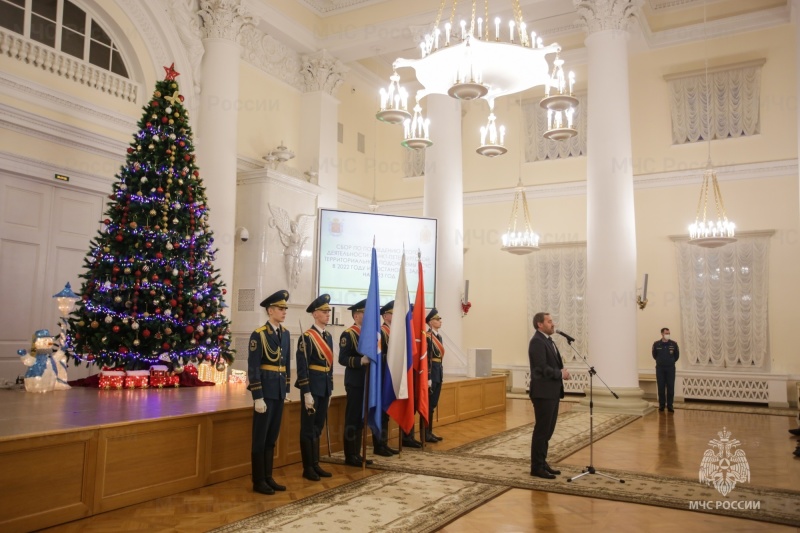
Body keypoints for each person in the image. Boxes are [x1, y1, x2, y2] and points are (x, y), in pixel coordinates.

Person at [247, 290, 292, 495]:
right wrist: (257, 396)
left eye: (284, 309)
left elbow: (286, 365)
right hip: (265, 392)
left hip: (279, 391)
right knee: (260, 438)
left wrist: (287, 389)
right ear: (270, 310)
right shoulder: (259, 334)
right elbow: (254, 367)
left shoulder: (285, 334)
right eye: (280, 309)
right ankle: (258, 480)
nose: (284, 312)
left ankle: (268, 476)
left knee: (272, 437)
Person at [295, 294, 335, 481]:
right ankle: (307, 467)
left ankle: (316, 464)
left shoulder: (327, 336)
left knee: (318, 427)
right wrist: (306, 392)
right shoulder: (307, 337)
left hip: (324, 387)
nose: (328, 314)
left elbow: (330, 366)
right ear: (315, 314)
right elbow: (302, 368)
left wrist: (330, 389)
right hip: (312, 388)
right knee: (308, 428)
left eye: (328, 311)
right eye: (324, 311)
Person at [528, 311, 570, 479]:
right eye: (549, 321)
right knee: (542, 430)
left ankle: (542, 462)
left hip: (551, 392)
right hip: (543, 393)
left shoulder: (547, 340)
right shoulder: (537, 342)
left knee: (548, 430)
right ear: (540, 324)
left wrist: (561, 373)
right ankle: (536, 467)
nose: (553, 324)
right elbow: (540, 368)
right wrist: (560, 374)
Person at [338, 299, 374, 467]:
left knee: (361, 420)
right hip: (354, 382)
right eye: (364, 314)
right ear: (356, 315)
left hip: (366, 382)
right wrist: (360, 361)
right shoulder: (349, 334)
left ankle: (357, 453)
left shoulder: (368, 334)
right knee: (352, 419)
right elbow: (342, 358)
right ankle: (350, 455)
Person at [376, 301, 398, 456]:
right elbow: (380, 355)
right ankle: (379, 445)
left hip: (391, 376)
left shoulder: (394, 332)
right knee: (382, 412)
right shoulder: (382, 332)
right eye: (392, 313)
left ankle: (384, 443)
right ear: (385, 316)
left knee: (387, 413)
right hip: (384, 375)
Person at [425, 308, 444, 443]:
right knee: (429, 405)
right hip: (432, 373)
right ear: (431, 322)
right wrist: (428, 377)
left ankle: (429, 432)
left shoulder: (439, 337)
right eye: (437, 319)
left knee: (433, 405)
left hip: (439, 372)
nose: (440, 321)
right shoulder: (427, 336)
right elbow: (427, 359)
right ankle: (425, 433)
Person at [652, 327, 679, 413]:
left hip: (670, 368)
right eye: (666, 333)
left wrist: (670, 362)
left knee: (670, 387)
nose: (668, 335)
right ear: (662, 334)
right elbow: (654, 355)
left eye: (669, 333)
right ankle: (661, 405)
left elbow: (676, 356)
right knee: (661, 387)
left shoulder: (673, 344)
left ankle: (670, 405)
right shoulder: (656, 344)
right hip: (660, 369)